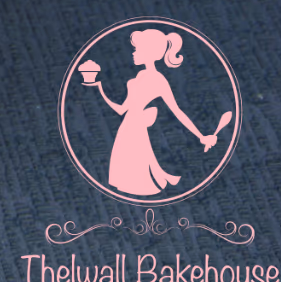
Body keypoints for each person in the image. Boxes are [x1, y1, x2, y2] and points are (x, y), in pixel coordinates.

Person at [94, 29, 219, 196]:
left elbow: (177, 111)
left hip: (136, 127)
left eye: (137, 49)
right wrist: (99, 89)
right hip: (128, 126)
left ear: (148, 52)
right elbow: (122, 109)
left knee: (137, 169)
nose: (133, 53)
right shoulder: (140, 75)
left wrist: (201, 136)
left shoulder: (158, 80)